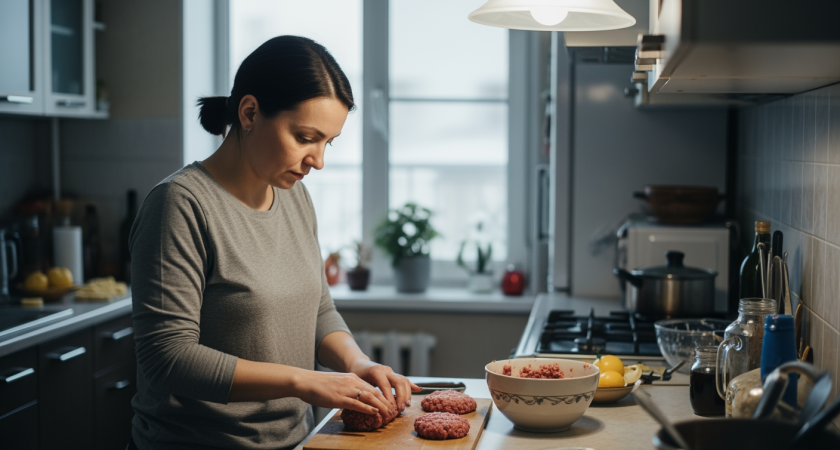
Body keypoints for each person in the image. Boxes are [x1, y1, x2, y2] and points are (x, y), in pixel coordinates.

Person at [128, 35, 419, 450]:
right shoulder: (180, 204)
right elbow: (167, 357)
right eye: (305, 138)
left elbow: (318, 309)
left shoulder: (293, 195)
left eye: (327, 143)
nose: (318, 160)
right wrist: (305, 381)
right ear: (249, 112)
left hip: (295, 441)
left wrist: (358, 363)